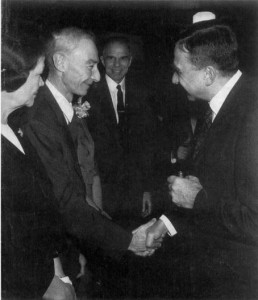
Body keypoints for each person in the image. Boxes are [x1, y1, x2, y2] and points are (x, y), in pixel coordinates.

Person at [21, 27, 159, 260]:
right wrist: (127, 240)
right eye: (90, 65)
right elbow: (66, 202)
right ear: (60, 62)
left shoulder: (62, 111)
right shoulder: (40, 119)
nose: (97, 76)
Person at [146, 24, 258, 298]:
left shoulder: (253, 114)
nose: (174, 80)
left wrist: (197, 200)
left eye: (179, 71)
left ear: (208, 74)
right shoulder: (219, 106)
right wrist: (168, 222)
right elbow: (205, 182)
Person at [1, 34, 75, 299]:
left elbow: (43, 206)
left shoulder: (15, 126)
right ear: (11, 78)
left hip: (43, 273)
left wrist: (57, 272)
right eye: (37, 75)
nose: (42, 83)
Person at [86, 36, 157, 220]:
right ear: (102, 60)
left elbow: (147, 146)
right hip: (100, 194)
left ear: (130, 61)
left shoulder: (142, 94)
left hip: (134, 193)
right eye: (111, 58)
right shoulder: (87, 94)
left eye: (123, 58)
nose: (117, 64)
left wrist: (147, 189)